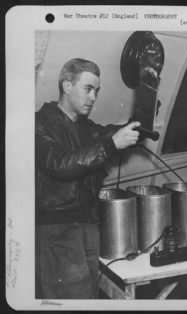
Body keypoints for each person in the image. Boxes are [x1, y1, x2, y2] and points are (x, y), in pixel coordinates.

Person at [35, 58, 141, 299]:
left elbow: (107, 134)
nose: (94, 97)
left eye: (97, 91)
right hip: (58, 230)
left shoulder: (86, 128)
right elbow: (61, 163)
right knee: (72, 298)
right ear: (67, 86)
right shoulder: (40, 124)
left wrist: (138, 121)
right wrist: (112, 144)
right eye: (88, 89)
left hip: (87, 225)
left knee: (88, 295)